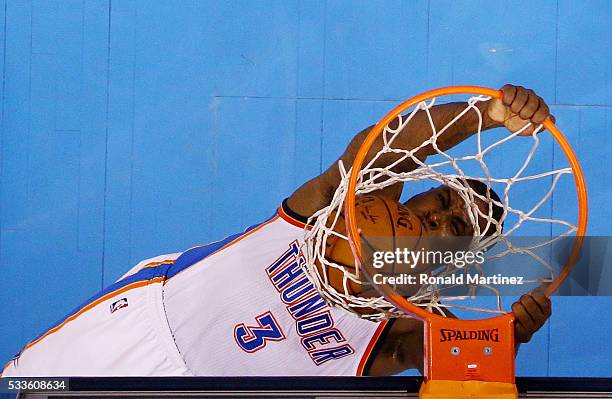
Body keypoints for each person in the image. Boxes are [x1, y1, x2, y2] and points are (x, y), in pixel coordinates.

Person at [1, 85, 551, 377]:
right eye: (443, 199)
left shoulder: (413, 326)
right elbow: (385, 145)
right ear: (423, 190)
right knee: (28, 388)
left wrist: (512, 333)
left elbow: (457, 365)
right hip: (145, 330)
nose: (438, 215)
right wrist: (491, 113)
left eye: (456, 227)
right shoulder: (341, 208)